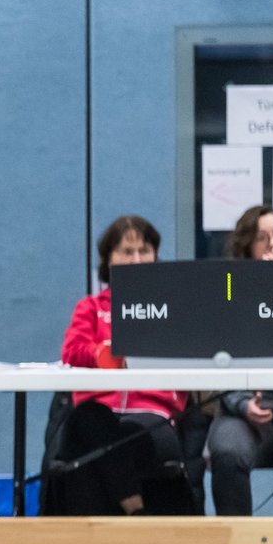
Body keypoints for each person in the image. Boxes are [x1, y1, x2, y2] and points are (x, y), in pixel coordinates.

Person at [56, 215, 188, 515]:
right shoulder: (90, 308)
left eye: (144, 251)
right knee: (89, 420)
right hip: (97, 414)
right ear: (109, 260)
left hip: (152, 418)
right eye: (127, 252)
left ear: (155, 257)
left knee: (86, 451)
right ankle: (135, 509)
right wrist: (103, 354)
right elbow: (72, 350)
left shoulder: (173, 309)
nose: (137, 259)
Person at [207, 205, 273, 516]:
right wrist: (243, 403)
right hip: (243, 410)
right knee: (226, 451)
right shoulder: (229, 291)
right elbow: (217, 360)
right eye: (262, 238)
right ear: (247, 248)